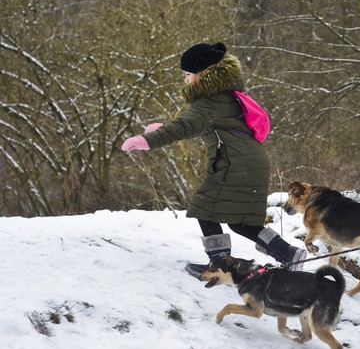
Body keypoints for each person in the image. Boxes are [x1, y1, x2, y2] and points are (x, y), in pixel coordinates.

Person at [121, 42, 306, 276]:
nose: (186, 80)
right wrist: (164, 128)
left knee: (204, 207)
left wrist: (147, 141)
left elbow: (186, 125)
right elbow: (196, 125)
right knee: (242, 222)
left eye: (188, 74)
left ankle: (220, 265)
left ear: (205, 73)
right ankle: (288, 253)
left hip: (234, 164)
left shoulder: (210, 101)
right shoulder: (226, 96)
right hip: (251, 162)